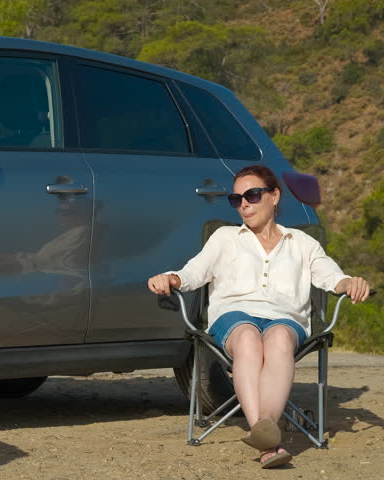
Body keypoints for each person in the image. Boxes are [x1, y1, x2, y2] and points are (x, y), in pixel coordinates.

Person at [147, 165, 369, 469]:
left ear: (274, 196)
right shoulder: (225, 238)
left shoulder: (302, 244)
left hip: (285, 319)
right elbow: (192, 273)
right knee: (249, 340)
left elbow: (333, 278)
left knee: (278, 338)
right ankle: (266, 437)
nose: (244, 204)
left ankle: (264, 430)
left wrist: (351, 283)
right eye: (236, 199)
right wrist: (169, 278)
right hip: (233, 316)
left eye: (251, 195)